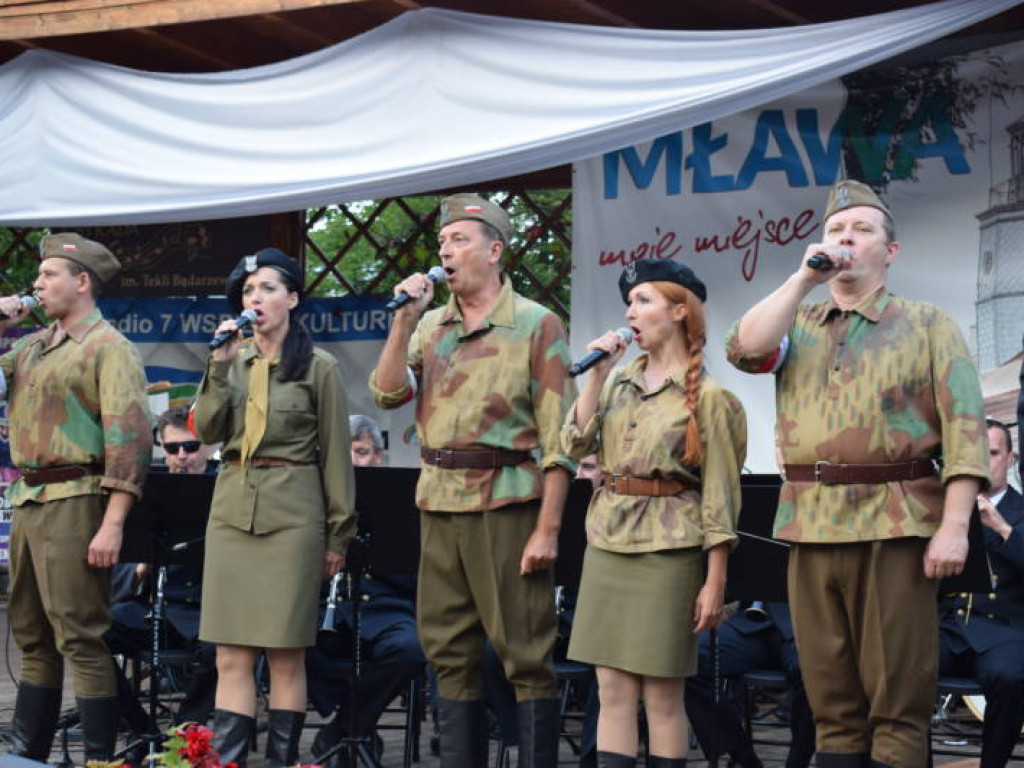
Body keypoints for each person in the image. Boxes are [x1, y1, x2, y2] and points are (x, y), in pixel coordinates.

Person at [726, 179, 989, 768]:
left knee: (897, 698)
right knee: (829, 700)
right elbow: (744, 351)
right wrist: (802, 280)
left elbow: (966, 430)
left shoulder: (927, 324)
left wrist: (954, 527)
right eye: (836, 230)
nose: (846, 238)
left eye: (862, 229)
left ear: (889, 251)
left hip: (895, 524)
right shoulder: (800, 321)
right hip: (811, 523)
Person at [371, 193, 576, 768]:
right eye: (442, 243)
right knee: (447, 652)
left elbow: (561, 440)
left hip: (506, 501)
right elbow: (387, 393)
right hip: (438, 501)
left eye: (459, 240)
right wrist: (403, 320)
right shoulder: (431, 325)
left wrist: (548, 529)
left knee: (525, 652)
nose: (446, 251)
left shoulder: (536, 323)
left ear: (494, 249)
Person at [563, 258, 747, 768]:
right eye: (629, 303)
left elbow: (721, 499)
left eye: (643, 300)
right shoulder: (619, 381)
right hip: (607, 540)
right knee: (611, 689)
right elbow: (574, 442)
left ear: (680, 310)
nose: (631, 312)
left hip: (670, 550)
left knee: (663, 695)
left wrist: (715, 581)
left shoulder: (712, 398)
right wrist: (595, 376)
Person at [193, 247, 356, 768]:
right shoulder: (230, 362)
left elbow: (336, 457)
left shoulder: (320, 369)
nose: (255, 298)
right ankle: (230, 762)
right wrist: (217, 367)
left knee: (285, 653)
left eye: (266, 288)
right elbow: (210, 431)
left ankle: (282, 762)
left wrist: (338, 537)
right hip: (232, 510)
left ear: (292, 298)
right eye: (247, 291)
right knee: (230, 653)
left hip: (293, 515)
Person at [0, 233, 152, 763]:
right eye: (38, 277)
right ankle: (27, 756)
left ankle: (97, 758)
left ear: (81, 282)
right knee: (32, 635)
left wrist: (112, 522)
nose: (37, 285)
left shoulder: (108, 348)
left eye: (49, 276)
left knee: (80, 636)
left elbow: (130, 444)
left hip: (77, 497)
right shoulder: (32, 346)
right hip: (29, 497)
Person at [308, 413, 425, 768]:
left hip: (386, 606)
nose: (354, 461)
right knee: (284, 638)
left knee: (412, 650)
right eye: (345, 453)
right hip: (328, 606)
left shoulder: (404, 499)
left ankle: (343, 728)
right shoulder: (313, 497)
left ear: (378, 455)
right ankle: (358, 719)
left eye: (361, 452)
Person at [106, 405, 220, 741]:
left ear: (209, 447)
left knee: (221, 650)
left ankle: (182, 736)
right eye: (172, 448)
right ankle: (139, 729)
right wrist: (140, 566)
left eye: (190, 447)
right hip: (159, 609)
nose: (181, 455)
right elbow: (121, 562)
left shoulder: (226, 488)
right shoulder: (146, 489)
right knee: (88, 634)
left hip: (208, 609)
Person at [939, 418, 1024, 768]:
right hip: (950, 628)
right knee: (898, 667)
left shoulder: (1019, 511)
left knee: (1011, 676)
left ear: (1011, 459)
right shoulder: (946, 510)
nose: (983, 463)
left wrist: (1001, 528)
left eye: (991, 453)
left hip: (1005, 630)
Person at [685, 601, 815, 768]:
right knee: (690, 659)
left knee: (812, 670)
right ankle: (743, 759)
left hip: (808, 624)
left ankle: (797, 763)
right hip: (753, 622)